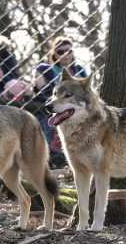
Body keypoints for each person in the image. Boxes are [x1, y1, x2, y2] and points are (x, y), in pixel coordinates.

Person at [32, 36, 87, 168]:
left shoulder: (79, 70)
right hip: (51, 108)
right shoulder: (45, 69)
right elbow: (41, 91)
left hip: (74, 110)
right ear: (54, 54)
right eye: (60, 51)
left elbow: (85, 93)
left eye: (68, 51)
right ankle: (53, 158)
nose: (65, 55)